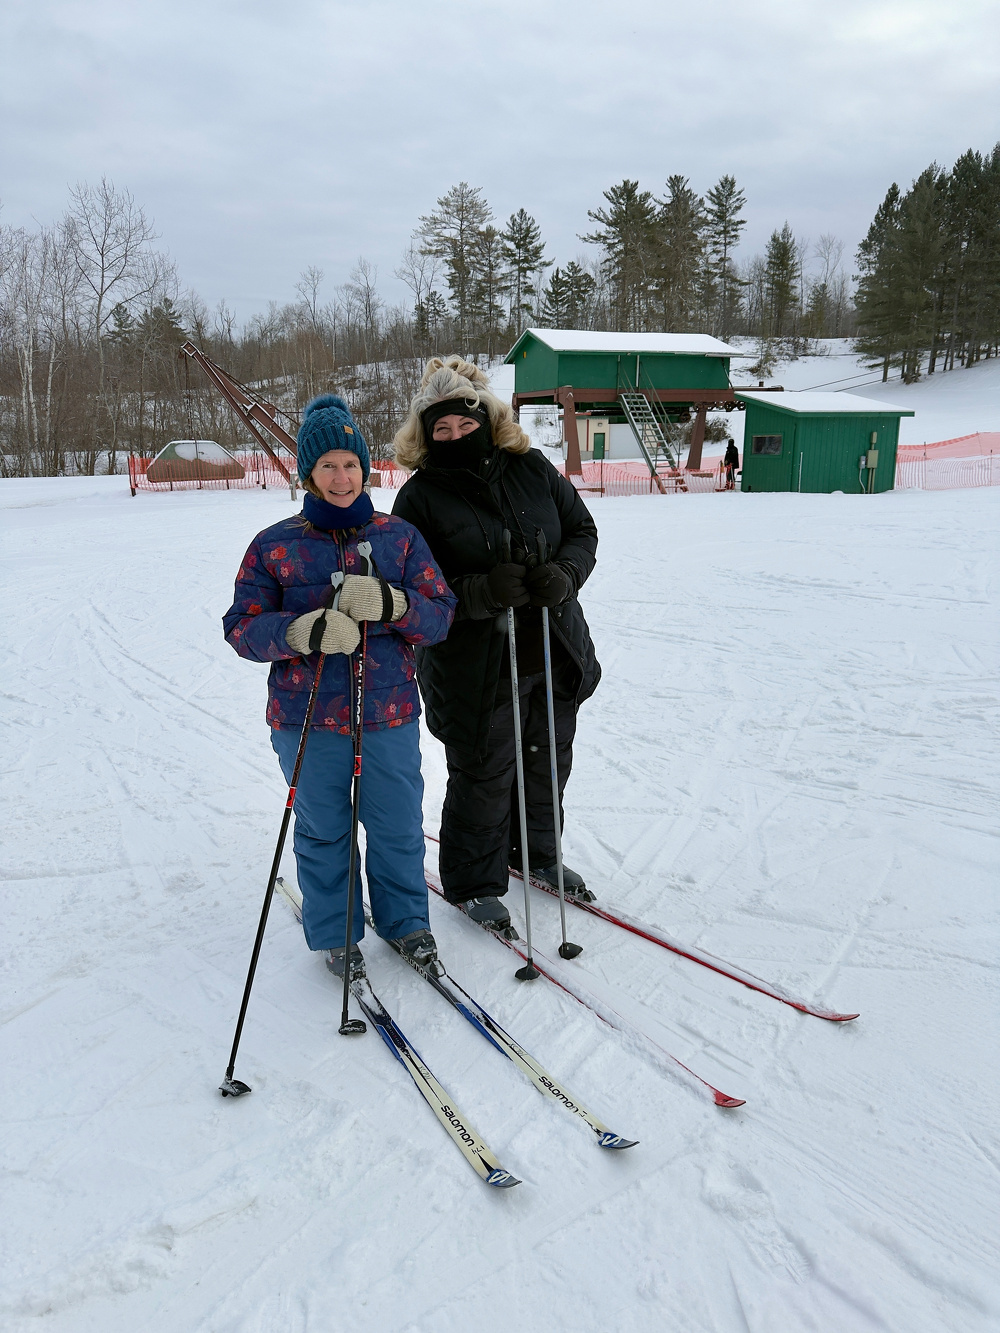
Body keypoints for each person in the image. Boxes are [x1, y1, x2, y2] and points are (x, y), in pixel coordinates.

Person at [223, 394, 456, 979]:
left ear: (365, 467)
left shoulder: (399, 537)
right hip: (305, 720)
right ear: (308, 473)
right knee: (323, 829)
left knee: (397, 825)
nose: (341, 476)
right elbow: (241, 628)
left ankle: (407, 925)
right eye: (327, 465)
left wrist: (393, 602)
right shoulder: (274, 543)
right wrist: (298, 631)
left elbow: (440, 616)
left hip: (389, 712)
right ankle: (336, 933)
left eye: (350, 463)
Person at [392, 357, 600, 934]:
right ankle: (474, 881)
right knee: (484, 771)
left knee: (547, 761)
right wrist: (478, 592)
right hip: (473, 664)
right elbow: (411, 586)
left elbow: (581, 531)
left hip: (552, 647)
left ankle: (537, 855)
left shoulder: (531, 468)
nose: (456, 435)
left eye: (464, 423)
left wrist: (565, 574)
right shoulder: (419, 497)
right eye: (442, 429)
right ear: (426, 434)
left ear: (486, 417)